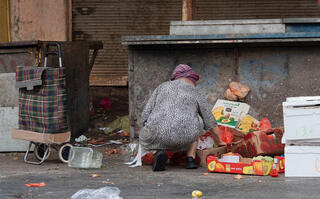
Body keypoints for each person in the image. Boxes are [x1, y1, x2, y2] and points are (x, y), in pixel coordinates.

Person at [138, 64, 224, 171]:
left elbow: (145, 115)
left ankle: (158, 153)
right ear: (192, 79)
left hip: (155, 135)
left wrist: (148, 127)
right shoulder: (195, 91)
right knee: (198, 121)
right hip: (186, 137)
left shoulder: (161, 87)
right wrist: (219, 141)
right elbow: (210, 121)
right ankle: (190, 158)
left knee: (151, 130)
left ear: (175, 77)